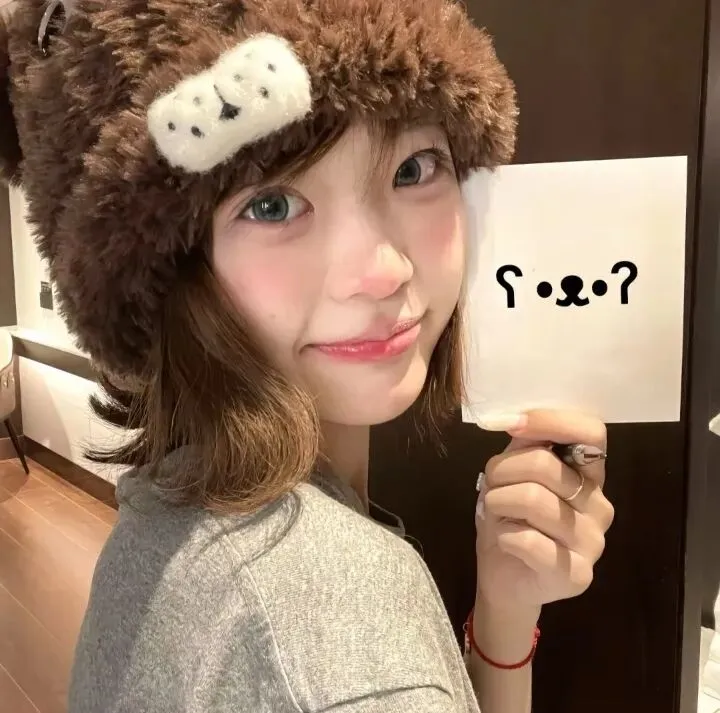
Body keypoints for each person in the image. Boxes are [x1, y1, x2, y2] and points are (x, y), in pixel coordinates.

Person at [0, 1, 615, 712]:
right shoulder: (334, 620)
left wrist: (505, 611)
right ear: (169, 269)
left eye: (414, 168)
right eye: (271, 205)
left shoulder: (166, 518)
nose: (382, 271)